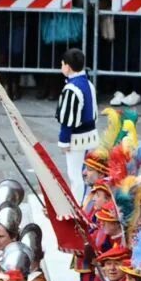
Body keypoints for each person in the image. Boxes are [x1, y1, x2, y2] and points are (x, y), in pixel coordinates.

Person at [56, 48, 97, 199]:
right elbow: (95, 113)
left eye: (62, 64)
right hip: (91, 136)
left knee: (75, 175)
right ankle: (87, 203)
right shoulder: (89, 84)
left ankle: (78, 207)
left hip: (77, 139)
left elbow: (67, 120)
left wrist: (64, 141)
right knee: (88, 173)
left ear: (67, 66)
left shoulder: (71, 89)